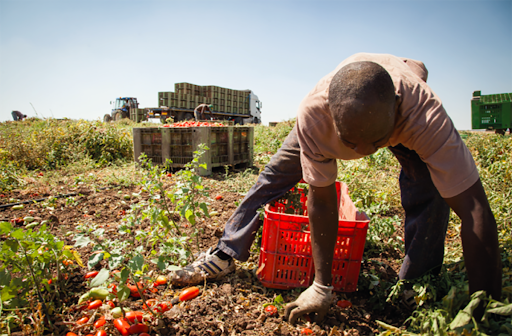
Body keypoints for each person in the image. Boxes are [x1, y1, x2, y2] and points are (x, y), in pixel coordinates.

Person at [169, 53, 502, 324]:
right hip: (348, 109)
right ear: (331, 116)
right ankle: (227, 250)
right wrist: (321, 285)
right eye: (349, 143)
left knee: (429, 192)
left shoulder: (424, 115)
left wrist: (485, 306)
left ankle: (415, 285)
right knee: (275, 174)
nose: (363, 152)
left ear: (397, 112)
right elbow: (323, 200)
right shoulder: (315, 114)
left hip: (400, 113)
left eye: (375, 143)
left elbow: (475, 210)